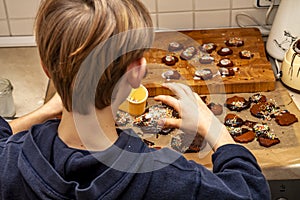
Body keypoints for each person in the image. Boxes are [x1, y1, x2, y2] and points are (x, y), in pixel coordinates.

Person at [0, 0, 271, 199]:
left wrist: (45, 111)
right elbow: (251, 191)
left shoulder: (9, 162)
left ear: (45, 68)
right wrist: (213, 128)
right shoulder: (171, 180)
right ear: (137, 71)